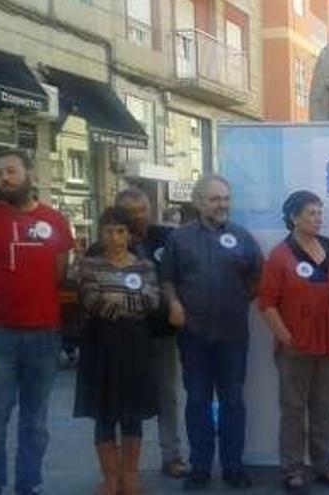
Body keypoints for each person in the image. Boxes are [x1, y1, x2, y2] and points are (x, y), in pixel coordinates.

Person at [0, 149, 73, 495]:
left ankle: (29, 484)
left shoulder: (56, 221)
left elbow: (59, 272)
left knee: (36, 421)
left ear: (29, 174)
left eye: (11, 171)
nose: (4, 178)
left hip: (44, 335)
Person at [161, 175, 263, 491]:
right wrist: (174, 304)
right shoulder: (179, 238)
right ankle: (200, 468)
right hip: (194, 336)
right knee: (198, 402)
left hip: (233, 336)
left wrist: (237, 299)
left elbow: (258, 276)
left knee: (233, 401)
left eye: (226, 198)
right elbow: (167, 278)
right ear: (198, 202)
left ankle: (233, 467)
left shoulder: (243, 237)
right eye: (215, 198)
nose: (223, 204)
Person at [87, 188, 189, 479]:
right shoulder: (100, 247)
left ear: (150, 208)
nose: (136, 217)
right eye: (129, 211)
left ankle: (172, 456)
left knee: (166, 395)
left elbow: (177, 277)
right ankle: (119, 471)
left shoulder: (167, 237)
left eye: (141, 209)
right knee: (120, 400)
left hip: (159, 334)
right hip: (118, 339)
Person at [259, 191, 329, 494]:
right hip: (295, 348)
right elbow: (266, 303)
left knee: (324, 409)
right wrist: (285, 336)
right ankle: (292, 470)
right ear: (293, 218)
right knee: (293, 410)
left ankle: (324, 466)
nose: (318, 219)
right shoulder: (280, 255)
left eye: (319, 213)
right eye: (311, 213)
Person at [74, 207, 161, 495]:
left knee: (132, 413)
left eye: (121, 231)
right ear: (101, 234)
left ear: (129, 233)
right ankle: (110, 478)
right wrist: (128, 307)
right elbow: (91, 299)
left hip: (135, 345)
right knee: (104, 413)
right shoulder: (89, 265)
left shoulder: (145, 266)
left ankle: (130, 476)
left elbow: (153, 300)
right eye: (109, 231)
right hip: (99, 344)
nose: (115, 237)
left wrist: (119, 305)